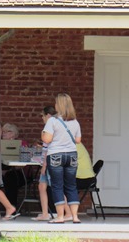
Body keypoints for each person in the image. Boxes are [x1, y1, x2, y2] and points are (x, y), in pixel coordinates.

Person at [42, 93, 82, 224]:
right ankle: (75, 216)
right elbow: (78, 140)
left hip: (56, 155)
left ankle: (60, 216)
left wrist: (43, 134)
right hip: (72, 155)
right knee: (71, 186)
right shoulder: (75, 122)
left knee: (57, 186)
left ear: (58, 105)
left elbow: (47, 139)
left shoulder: (52, 121)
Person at [2, 123, 29, 207]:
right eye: (3, 131)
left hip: (19, 173)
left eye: (8, 131)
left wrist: (6, 171)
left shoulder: (22, 144)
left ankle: (11, 207)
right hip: (1, 171)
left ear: (14, 133)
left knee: (10, 177)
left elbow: (24, 162)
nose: (4, 133)